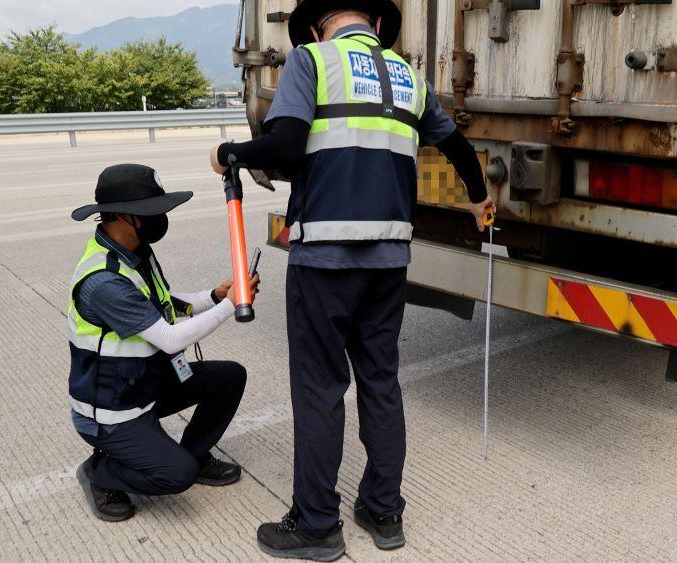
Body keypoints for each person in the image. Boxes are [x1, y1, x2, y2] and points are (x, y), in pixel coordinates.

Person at [209, 0, 491, 559]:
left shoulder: (311, 60)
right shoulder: (407, 75)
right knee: (380, 382)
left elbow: (286, 147)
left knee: (320, 390)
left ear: (317, 26)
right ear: (380, 24)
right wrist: (480, 198)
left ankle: (317, 525)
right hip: (389, 262)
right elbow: (455, 144)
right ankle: (384, 513)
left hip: (325, 261)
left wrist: (228, 152)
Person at [68, 163, 260, 522]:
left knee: (230, 377)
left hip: (143, 384)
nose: (161, 218)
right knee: (177, 475)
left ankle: (195, 452)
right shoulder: (105, 281)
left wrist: (216, 296)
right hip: (114, 410)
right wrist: (233, 306)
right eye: (153, 211)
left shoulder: (134, 250)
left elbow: (163, 300)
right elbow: (170, 337)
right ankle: (101, 473)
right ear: (126, 217)